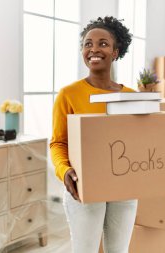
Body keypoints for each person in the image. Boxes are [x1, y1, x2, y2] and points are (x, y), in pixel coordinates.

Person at [50, 16, 138, 253]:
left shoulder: (131, 96)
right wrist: (64, 170)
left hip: (124, 188)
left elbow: (139, 142)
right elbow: (58, 143)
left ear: (116, 52)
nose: (94, 49)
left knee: (118, 251)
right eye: (88, 44)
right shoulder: (69, 94)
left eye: (102, 43)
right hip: (84, 187)